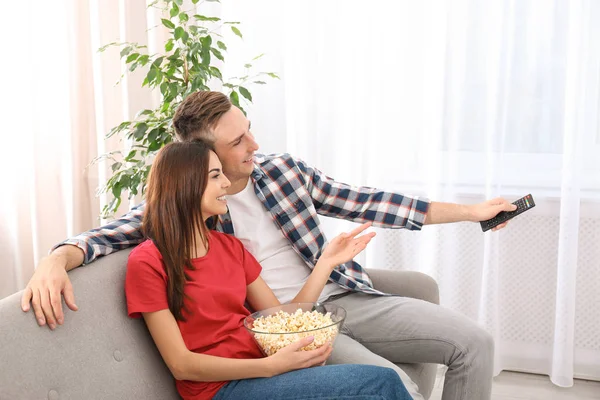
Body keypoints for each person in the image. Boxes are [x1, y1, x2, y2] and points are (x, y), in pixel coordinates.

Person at [22, 91, 516, 400]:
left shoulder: (281, 172)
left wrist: (472, 213)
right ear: (202, 157)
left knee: (476, 343)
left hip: (340, 296)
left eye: (248, 129)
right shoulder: (191, 213)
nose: (254, 145)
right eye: (237, 142)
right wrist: (55, 258)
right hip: (281, 329)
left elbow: (368, 201)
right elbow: (108, 235)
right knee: (393, 385)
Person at [125, 139, 411, 400]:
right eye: (215, 175)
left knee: (375, 386)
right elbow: (181, 364)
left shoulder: (229, 247)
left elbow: (279, 319)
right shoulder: (149, 262)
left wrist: (325, 263)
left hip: (264, 368)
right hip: (221, 389)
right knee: (381, 383)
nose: (226, 183)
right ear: (183, 183)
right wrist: (270, 366)